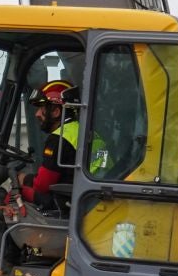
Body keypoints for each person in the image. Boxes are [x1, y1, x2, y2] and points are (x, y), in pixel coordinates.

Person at [14, 80, 109, 211]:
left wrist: (23, 179)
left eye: (42, 108)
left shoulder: (59, 137)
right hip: (95, 199)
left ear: (56, 112)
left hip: (73, 202)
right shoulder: (88, 132)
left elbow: (42, 185)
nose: (37, 114)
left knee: (14, 194)